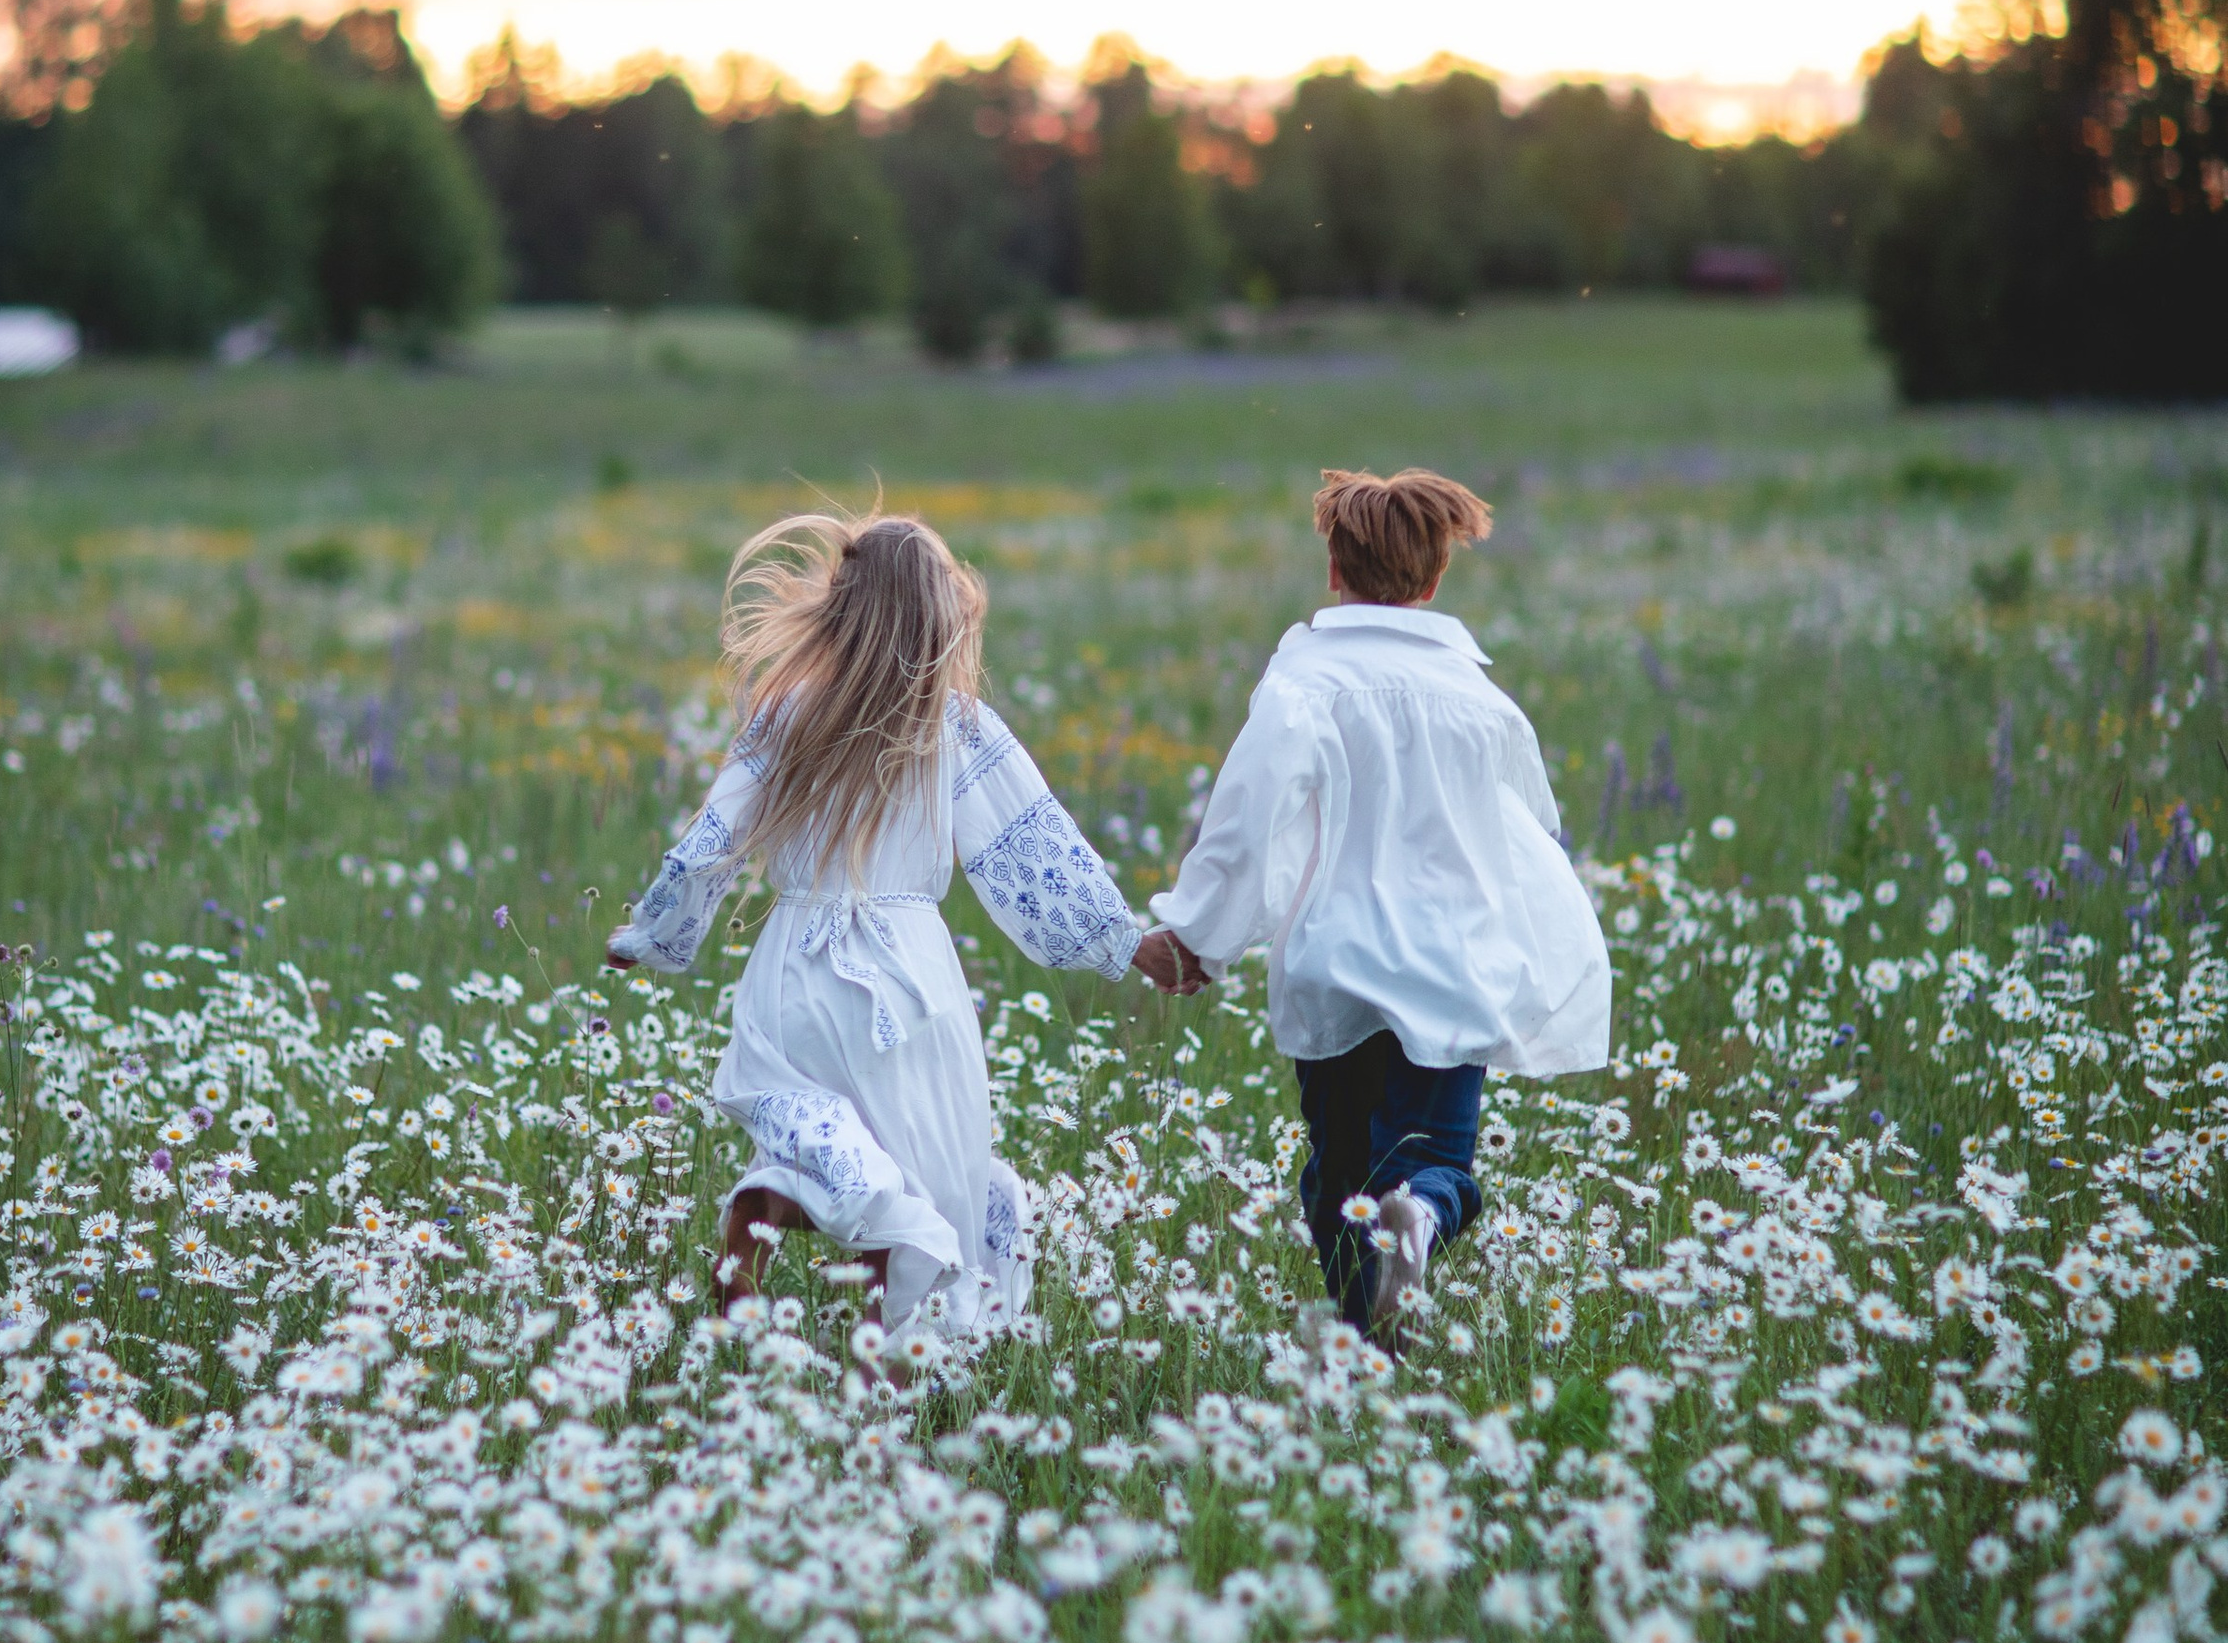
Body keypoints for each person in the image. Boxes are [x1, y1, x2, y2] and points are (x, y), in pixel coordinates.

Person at [607, 508, 1200, 1340]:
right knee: (916, 1179)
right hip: (909, 986)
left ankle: (752, 1249)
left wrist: (655, 933)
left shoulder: (785, 713)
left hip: (795, 971)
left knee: (807, 1139)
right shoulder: (956, 728)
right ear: (939, 615)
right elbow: (1030, 848)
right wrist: (1125, 944)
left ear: (840, 608)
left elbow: (717, 834)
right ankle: (880, 1369)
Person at [1144, 466, 1607, 1341]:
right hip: (1451, 968)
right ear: (1435, 580)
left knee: (1340, 1174)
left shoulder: (1300, 690)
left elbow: (1245, 824)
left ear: (1332, 569)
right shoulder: (1482, 701)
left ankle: (1363, 1348)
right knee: (1432, 1162)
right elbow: (1531, 833)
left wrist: (1201, 937)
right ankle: (1421, 1223)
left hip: (1335, 967)